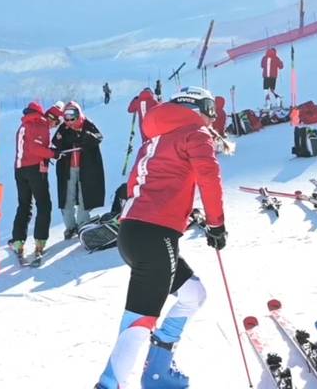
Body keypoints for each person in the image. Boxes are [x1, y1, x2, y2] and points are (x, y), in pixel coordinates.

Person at [96, 86, 226, 389]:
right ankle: (110, 383)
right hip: (155, 235)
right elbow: (209, 176)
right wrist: (216, 224)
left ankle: (159, 368)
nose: (211, 119)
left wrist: (179, 209)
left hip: (135, 232)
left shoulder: (157, 134)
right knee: (139, 321)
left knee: (194, 294)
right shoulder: (195, 131)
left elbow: (142, 183)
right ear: (201, 108)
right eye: (210, 112)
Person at [52, 102, 106, 239]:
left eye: (72, 117)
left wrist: (87, 138)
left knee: (84, 196)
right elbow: (56, 141)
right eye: (66, 117)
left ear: (78, 114)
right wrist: (67, 141)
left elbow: (98, 137)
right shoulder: (64, 128)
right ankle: (70, 227)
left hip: (86, 168)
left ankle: (83, 223)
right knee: (67, 197)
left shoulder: (87, 124)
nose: (69, 121)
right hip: (68, 168)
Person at [10, 102, 56, 262]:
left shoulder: (24, 124)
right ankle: (40, 241)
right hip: (35, 170)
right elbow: (35, 148)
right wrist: (52, 153)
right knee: (44, 205)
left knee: (24, 204)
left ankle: (18, 241)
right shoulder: (39, 123)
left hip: (19, 169)